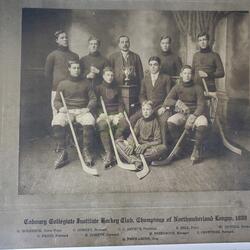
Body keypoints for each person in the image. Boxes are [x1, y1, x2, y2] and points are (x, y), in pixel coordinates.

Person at [156, 65, 208, 164]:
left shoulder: (198, 88)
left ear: (192, 75)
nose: (187, 75)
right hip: (183, 114)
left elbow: (201, 105)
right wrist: (178, 103)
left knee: (203, 122)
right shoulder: (177, 87)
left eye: (189, 73)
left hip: (196, 114)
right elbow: (167, 100)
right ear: (181, 75)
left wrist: (194, 116)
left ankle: (196, 149)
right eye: (185, 73)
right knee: (170, 121)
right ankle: (180, 146)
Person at [51, 60, 97, 169]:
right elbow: (56, 101)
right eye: (74, 68)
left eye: (78, 68)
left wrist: (88, 108)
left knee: (89, 120)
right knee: (56, 121)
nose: (76, 70)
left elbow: (93, 99)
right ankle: (63, 152)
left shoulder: (86, 83)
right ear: (69, 69)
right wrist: (60, 108)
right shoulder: (62, 84)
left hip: (82, 110)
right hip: (68, 111)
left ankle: (86, 151)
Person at [124, 56, 172, 145]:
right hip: (148, 107)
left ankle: (163, 147)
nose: (152, 67)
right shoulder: (145, 79)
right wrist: (144, 102)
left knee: (163, 121)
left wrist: (165, 107)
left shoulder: (166, 78)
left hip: (160, 107)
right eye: (150, 65)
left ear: (159, 66)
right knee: (132, 118)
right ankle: (133, 142)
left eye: (155, 65)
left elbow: (169, 95)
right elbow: (141, 95)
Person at [116, 101, 167, 169]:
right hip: (138, 147)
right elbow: (132, 135)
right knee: (118, 142)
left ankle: (133, 158)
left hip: (147, 149)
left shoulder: (155, 122)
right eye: (144, 109)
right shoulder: (139, 121)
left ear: (152, 111)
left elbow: (158, 141)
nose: (145, 112)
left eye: (148, 109)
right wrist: (131, 144)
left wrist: (146, 145)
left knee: (163, 148)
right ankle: (136, 160)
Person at [44, 30, 79, 119]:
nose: (65, 39)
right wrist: (55, 87)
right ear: (57, 40)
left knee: (71, 115)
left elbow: (77, 73)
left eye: (66, 37)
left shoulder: (75, 56)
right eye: (62, 38)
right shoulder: (52, 55)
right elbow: (47, 75)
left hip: (71, 91)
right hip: (57, 90)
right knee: (57, 115)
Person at [95, 67, 125, 168]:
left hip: (115, 113)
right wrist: (100, 114)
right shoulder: (98, 88)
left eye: (112, 75)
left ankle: (117, 148)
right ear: (103, 76)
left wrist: (120, 112)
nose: (110, 77)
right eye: (108, 75)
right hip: (104, 114)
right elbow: (95, 105)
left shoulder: (117, 88)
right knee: (102, 124)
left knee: (124, 123)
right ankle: (108, 152)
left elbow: (120, 102)